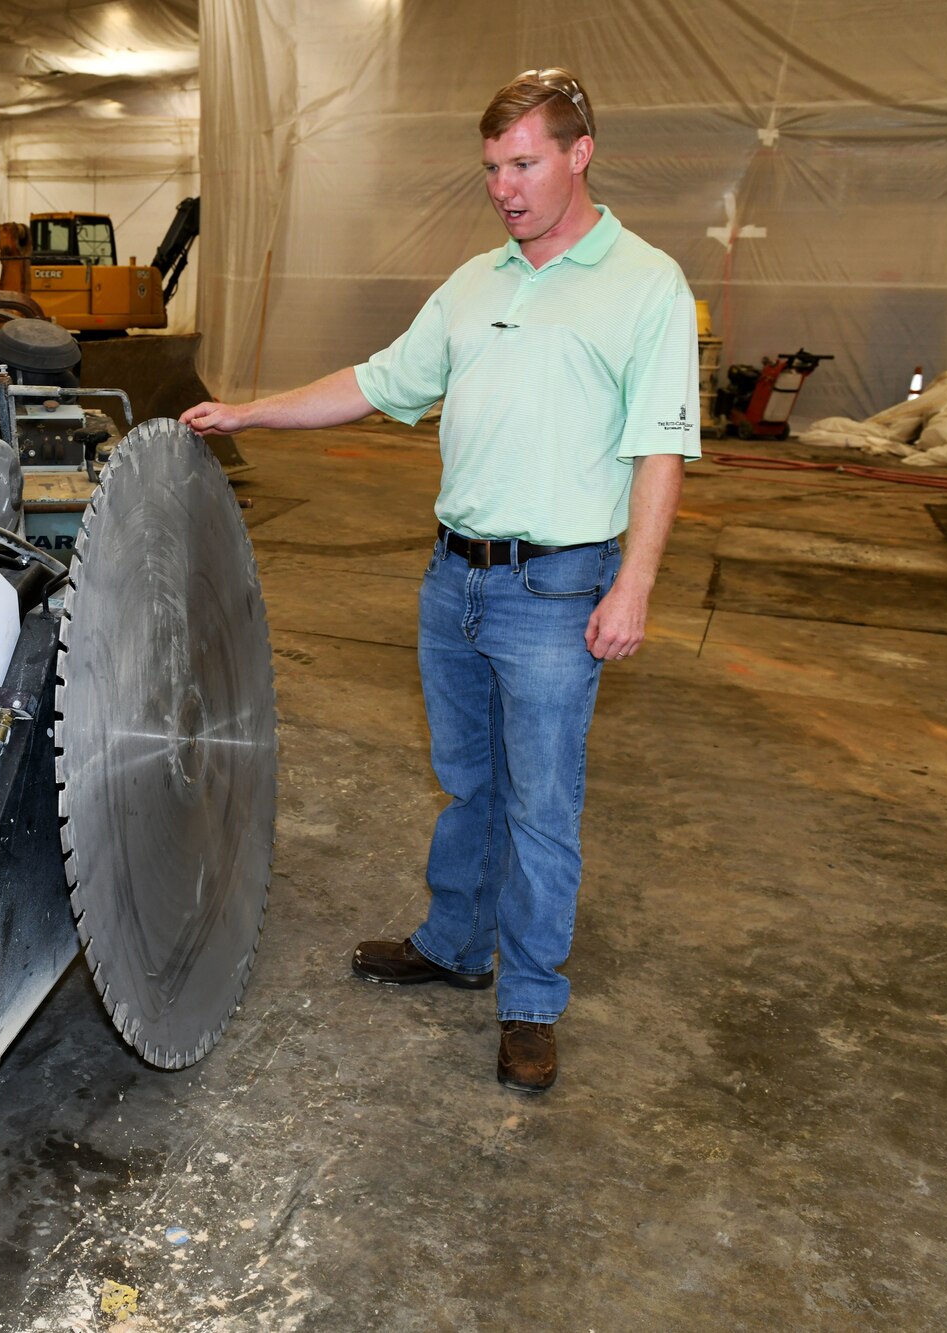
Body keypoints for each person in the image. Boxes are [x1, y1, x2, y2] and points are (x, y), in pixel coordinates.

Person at [182, 68, 698, 1093]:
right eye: (490, 168)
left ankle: (531, 999)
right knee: (468, 784)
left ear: (576, 152)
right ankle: (456, 945)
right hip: (452, 580)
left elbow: (659, 450)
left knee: (542, 804)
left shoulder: (645, 283)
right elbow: (378, 383)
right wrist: (248, 411)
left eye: (523, 163)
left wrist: (631, 583)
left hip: (557, 588)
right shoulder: (474, 282)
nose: (503, 188)